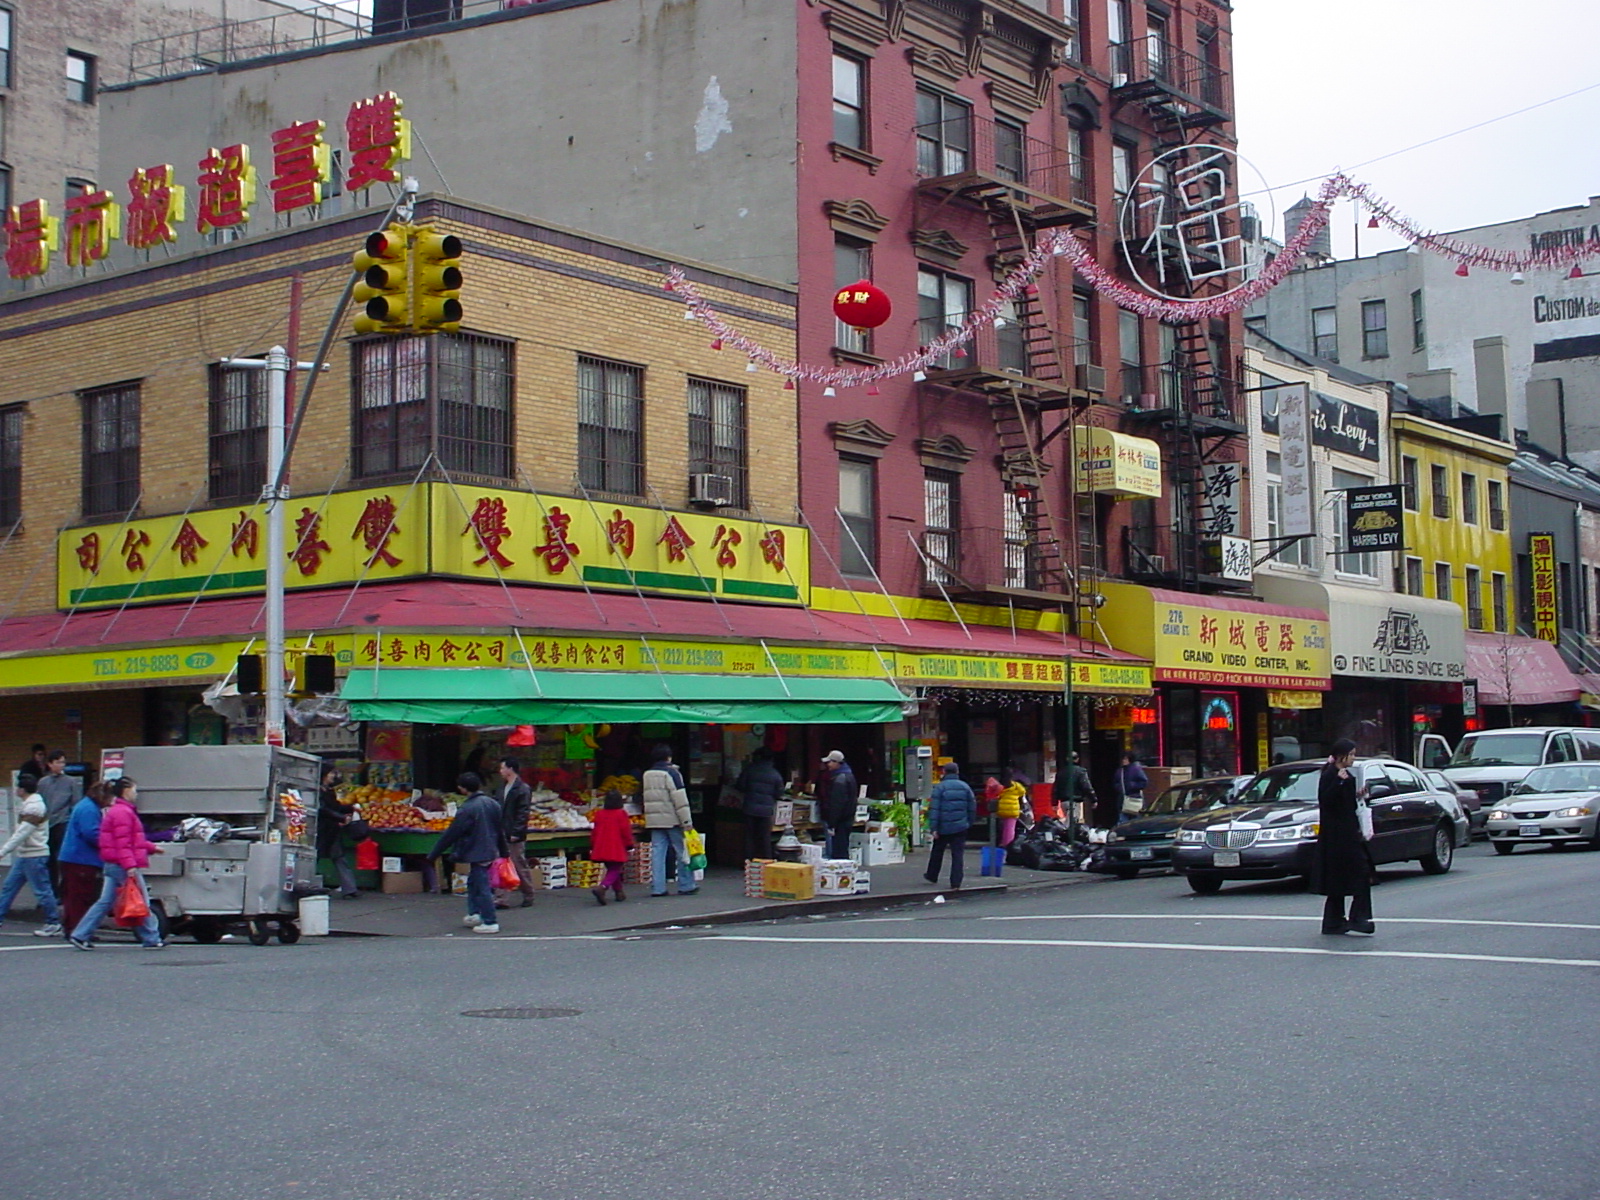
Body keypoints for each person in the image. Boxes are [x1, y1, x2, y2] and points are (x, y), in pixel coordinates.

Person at [70, 777, 164, 951]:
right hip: (123, 863)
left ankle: (80, 934)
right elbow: (124, 843)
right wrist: (130, 866)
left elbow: (126, 840)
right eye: (134, 790)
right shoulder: (124, 812)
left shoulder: (118, 811)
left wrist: (150, 847)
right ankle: (152, 938)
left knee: (105, 902)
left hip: (113, 862)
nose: (136, 794)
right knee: (141, 900)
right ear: (126, 791)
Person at [430, 773, 507, 933]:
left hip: (476, 851)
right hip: (490, 849)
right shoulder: (493, 804)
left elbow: (452, 833)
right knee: (474, 883)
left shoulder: (467, 809)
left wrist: (435, 852)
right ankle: (475, 914)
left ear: (462, 789)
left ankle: (489, 920)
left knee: (481, 886)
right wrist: (504, 851)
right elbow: (500, 829)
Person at [1314, 738, 1375, 936]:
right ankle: (1356, 918)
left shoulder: (1347, 775)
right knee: (1359, 873)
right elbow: (1327, 801)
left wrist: (1358, 794)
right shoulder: (1331, 775)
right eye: (1352, 754)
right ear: (1342, 756)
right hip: (1337, 837)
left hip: (1348, 833)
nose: (1354, 758)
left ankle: (1334, 921)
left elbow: (1345, 803)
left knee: (1341, 879)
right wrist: (1339, 782)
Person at [0, 775, 63, 937]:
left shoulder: (34, 807)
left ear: (22, 789)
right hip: (26, 854)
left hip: (34, 854)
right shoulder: (31, 804)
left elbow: (22, 833)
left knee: (42, 890)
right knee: (9, 887)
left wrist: (3, 851)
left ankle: (53, 922)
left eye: (18, 787)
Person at [642, 746, 697, 896]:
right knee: (682, 852)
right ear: (668, 757)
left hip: (655, 821)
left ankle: (658, 887)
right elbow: (680, 799)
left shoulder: (647, 774)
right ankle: (686, 885)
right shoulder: (672, 773)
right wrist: (686, 821)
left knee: (657, 853)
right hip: (672, 820)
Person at [60, 781, 110, 933]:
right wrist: (110, 842)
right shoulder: (89, 809)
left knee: (73, 896)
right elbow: (91, 833)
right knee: (81, 897)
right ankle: (79, 930)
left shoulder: (85, 806)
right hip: (81, 859)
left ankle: (71, 927)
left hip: (74, 858)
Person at [923, 762, 976, 889]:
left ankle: (932, 874)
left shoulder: (940, 788)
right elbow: (972, 807)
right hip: (961, 826)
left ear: (944, 772)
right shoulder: (965, 787)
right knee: (957, 855)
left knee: (937, 851)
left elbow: (934, 809)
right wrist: (969, 822)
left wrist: (934, 828)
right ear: (957, 772)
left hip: (943, 827)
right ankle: (956, 881)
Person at [36, 750, 80, 893]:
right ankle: (51, 890)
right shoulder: (43, 782)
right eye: (58, 762)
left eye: (63, 762)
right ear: (50, 764)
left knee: (62, 858)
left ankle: (64, 890)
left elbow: (76, 803)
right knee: (48, 860)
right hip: (46, 823)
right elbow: (39, 802)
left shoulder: (70, 782)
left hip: (63, 822)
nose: (61, 765)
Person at [495, 757, 536, 909]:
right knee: (501, 864)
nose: (500, 771)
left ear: (510, 769)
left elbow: (523, 812)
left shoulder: (522, 789)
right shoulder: (503, 787)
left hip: (513, 832)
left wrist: (517, 832)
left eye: (502, 768)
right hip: (502, 830)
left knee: (518, 863)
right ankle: (501, 898)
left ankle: (528, 893)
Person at [316, 769, 360, 900]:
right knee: (315, 858)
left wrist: (351, 808)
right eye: (330, 773)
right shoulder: (315, 791)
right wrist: (341, 818)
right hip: (320, 830)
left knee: (339, 857)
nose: (333, 776)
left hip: (332, 830)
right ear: (323, 775)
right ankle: (305, 885)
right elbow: (322, 809)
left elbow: (335, 806)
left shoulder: (328, 790)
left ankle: (350, 889)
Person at [736, 747, 785, 860]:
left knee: (749, 836)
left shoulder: (750, 770)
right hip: (766, 810)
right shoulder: (775, 774)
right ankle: (766, 860)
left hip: (750, 807)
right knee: (765, 837)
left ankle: (748, 861)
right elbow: (779, 794)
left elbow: (740, 786)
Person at [588, 791, 633, 905]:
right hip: (616, 846)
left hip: (601, 846)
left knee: (612, 869)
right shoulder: (621, 814)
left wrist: (592, 846)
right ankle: (603, 887)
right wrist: (629, 845)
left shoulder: (599, 814)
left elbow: (595, 832)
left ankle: (619, 892)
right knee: (616, 868)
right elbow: (625, 831)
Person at [817, 749, 858, 861]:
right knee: (843, 848)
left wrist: (832, 823)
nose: (828, 765)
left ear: (837, 763)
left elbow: (837, 804)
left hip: (841, 820)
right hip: (847, 818)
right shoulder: (849, 775)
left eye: (830, 762)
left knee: (839, 851)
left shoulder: (839, 779)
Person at [1052, 752, 1098, 830]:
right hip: (1074, 801)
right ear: (1077, 759)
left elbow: (1055, 788)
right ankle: (1067, 838)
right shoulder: (1081, 771)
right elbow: (1086, 786)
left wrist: (1054, 802)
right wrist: (1093, 799)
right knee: (1071, 825)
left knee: (1068, 821)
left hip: (1063, 801)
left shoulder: (1061, 772)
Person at [1114, 753, 1150, 824]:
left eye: (1125, 759)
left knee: (1137, 822)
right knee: (1122, 821)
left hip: (1134, 798)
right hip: (1123, 799)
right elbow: (1115, 782)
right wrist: (1120, 787)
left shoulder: (1136, 769)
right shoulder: (1120, 771)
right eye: (1123, 759)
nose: (1123, 761)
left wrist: (1133, 785)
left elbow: (1144, 782)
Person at [994, 768, 1025, 847]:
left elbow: (995, 795)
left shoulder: (999, 786)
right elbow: (1022, 793)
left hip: (1001, 809)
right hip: (1013, 809)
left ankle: (1000, 843)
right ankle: (1008, 845)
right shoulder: (1017, 786)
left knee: (1001, 829)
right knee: (1010, 829)